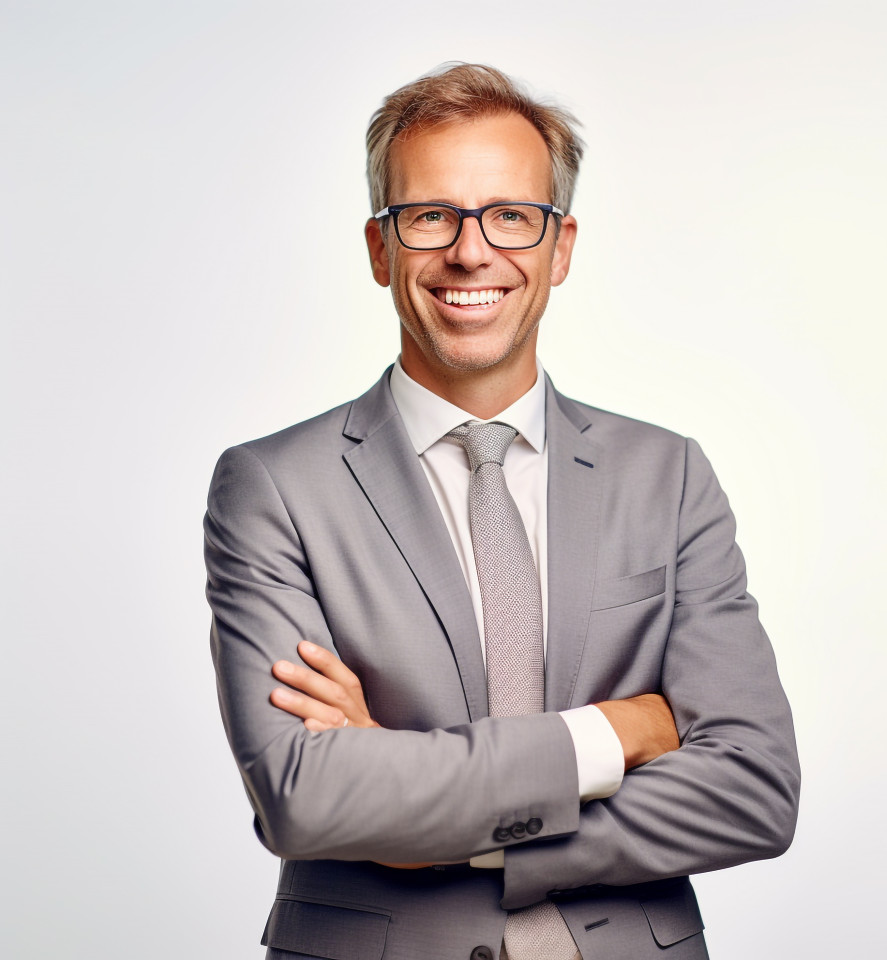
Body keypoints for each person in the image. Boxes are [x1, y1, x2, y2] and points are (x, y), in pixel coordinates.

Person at [204, 63, 800, 960]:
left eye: (511, 216)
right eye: (430, 216)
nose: (471, 253)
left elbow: (754, 790)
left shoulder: (667, 476)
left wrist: (441, 821)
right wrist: (616, 733)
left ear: (560, 248)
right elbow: (306, 796)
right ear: (381, 248)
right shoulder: (273, 487)